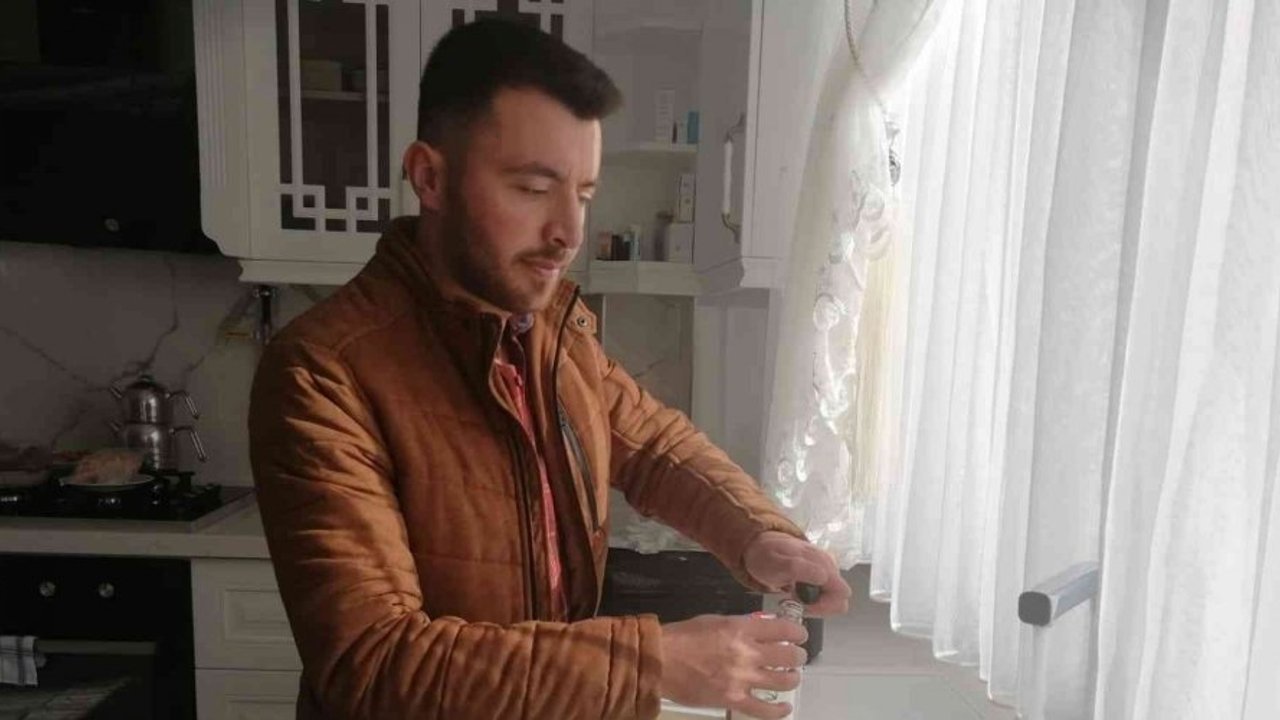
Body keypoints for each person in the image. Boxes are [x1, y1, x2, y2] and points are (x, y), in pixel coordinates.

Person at [248, 18, 852, 720]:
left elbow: (657, 447)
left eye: (584, 194)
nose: (568, 232)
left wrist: (759, 534)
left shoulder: (552, 335)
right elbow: (375, 664)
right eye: (534, 188)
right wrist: (652, 661)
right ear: (429, 177)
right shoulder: (322, 373)